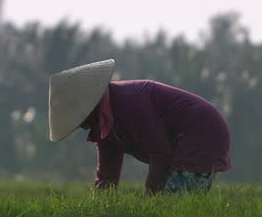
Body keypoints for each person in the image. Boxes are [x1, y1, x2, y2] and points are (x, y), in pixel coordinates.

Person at [47, 59, 231, 194]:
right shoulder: (102, 122)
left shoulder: (131, 103)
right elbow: (107, 176)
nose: (80, 126)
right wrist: (100, 210)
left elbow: (160, 154)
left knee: (172, 209)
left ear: (88, 105)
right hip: (183, 138)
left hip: (201, 131)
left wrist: (149, 200)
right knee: (168, 212)